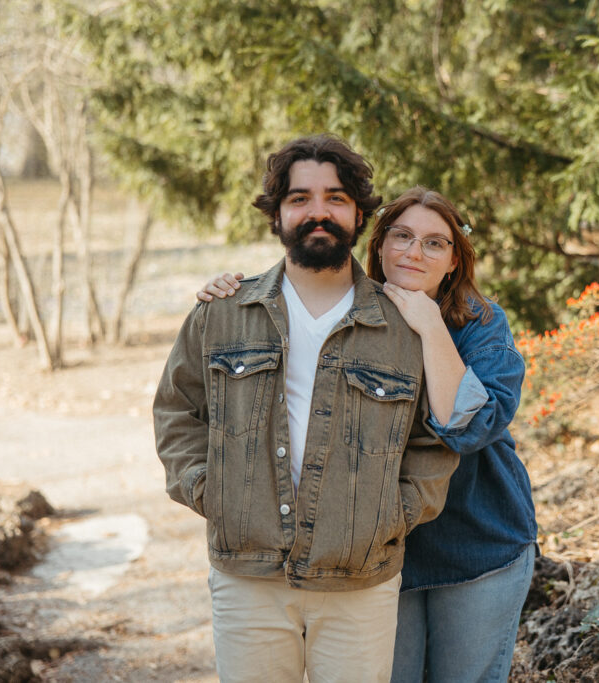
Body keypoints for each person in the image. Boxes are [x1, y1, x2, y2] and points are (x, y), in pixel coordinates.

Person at [198, 186, 538, 683]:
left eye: (434, 243)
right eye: (401, 236)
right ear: (377, 246)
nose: (413, 252)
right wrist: (227, 292)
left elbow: (470, 427)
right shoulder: (348, 311)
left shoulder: (481, 325)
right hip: (371, 557)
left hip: (478, 545)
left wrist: (429, 325)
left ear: (454, 260)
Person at [154, 135, 458, 683]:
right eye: (300, 198)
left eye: (335, 198)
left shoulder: (406, 327)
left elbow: (435, 439)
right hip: (246, 577)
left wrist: (392, 516)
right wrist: (209, 491)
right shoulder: (223, 313)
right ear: (276, 215)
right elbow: (177, 413)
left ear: (360, 213)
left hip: (360, 581)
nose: (318, 211)